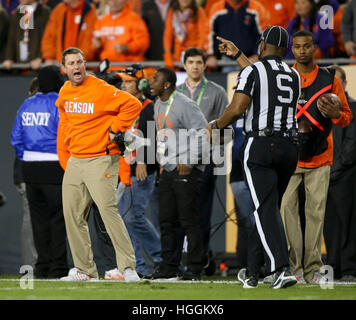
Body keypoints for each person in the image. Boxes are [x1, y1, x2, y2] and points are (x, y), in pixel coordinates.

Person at [208, 26, 301, 289]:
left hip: (261, 144)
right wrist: (237, 53)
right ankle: (252, 271)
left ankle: (281, 268)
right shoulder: (293, 74)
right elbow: (262, 74)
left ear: (262, 45)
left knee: (264, 209)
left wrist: (216, 125)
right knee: (268, 209)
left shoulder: (253, 71)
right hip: (289, 147)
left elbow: (238, 108)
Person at [56, 47, 142, 281]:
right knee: (72, 215)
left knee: (107, 210)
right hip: (76, 161)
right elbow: (64, 118)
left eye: (80, 62)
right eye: (71, 63)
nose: (76, 67)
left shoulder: (101, 88)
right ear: (64, 68)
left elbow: (133, 105)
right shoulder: (64, 91)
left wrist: (115, 129)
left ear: (85, 65)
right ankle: (84, 270)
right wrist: (67, 149)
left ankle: (128, 267)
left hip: (101, 158)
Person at [280, 30, 353, 284]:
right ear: (292, 49)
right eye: (297, 46)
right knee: (286, 211)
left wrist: (335, 113)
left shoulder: (329, 76)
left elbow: (345, 117)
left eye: (307, 46)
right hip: (289, 156)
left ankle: (311, 270)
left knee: (315, 215)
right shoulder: (285, 76)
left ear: (314, 48)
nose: (302, 51)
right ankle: (293, 267)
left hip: (321, 155)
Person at [148, 67, 208, 281]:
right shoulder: (158, 104)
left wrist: (190, 161)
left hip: (186, 169)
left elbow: (203, 132)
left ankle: (194, 268)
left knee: (188, 220)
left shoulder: (184, 104)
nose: (150, 81)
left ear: (166, 85)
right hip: (169, 169)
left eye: (155, 78)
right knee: (166, 221)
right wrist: (162, 162)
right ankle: (169, 266)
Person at [11, 65, 68, 278]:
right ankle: (58, 267)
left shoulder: (27, 105)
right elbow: (65, 136)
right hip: (55, 166)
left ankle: (42, 266)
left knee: (38, 221)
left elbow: (16, 138)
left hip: (30, 168)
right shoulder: (59, 104)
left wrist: (26, 157)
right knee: (59, 219)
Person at [176, 47, 228, 274]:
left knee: (201, 212)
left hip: (205, 159)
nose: (195, 66)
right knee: (178, 213)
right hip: (178, 161)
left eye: (199, 62)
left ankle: (201, 257)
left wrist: (217, 154)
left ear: (205, 65)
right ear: (184, 65)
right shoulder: (175, 92)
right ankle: (178, 261)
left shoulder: (217, 92)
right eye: (191, 62)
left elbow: (226, 125)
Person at [115, 65, 162, 277]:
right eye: (123, 81)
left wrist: (142, 160)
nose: (124, 85)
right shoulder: (123, 105)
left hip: (142, 169)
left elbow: (151, 138)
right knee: (125, 219)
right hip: (125, 168)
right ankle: (137, 267)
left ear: (141, 84)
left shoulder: (149, 107)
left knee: (133, 217)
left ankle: (162, 258)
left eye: (129, 81)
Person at [323, 65, 356, 282]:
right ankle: (332, 265)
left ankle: (349, 269)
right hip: (325, 173)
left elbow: (352, 146)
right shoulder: (323, 110)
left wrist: (335, 168)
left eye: (337, 82)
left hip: (347, 176)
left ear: (344, 84)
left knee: (348, 222)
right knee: (328, 223)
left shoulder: (353, 108)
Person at [206, 0, 269, 72]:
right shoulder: (217, 8)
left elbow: (264, 34)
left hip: (250, 59)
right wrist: (211, 55)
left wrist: (258, 54)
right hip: (226, 60)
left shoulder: (256, 8)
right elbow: (209, 33)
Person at [92, 0, 149, 66]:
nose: (114, 2)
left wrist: (128, 48)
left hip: (129, 68)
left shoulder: (135, 20)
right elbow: (94, 47)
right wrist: (96, 46)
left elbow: (143, 43)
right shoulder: (101, 22)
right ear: (107, 1)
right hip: (107, 68)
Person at [41, 0, 97, 65]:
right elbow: (48, 36)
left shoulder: (89, 10)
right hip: (58, 65)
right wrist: (49, 57)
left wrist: (76, 60)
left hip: (81, 66)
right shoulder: (58, 9)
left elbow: (90, 41)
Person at [3, 0, 50, 70]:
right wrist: (8, 58)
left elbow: (48, 38)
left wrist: (41, 58)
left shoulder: (45, 12)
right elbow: (11, 39)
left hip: (37, 67)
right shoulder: (18, 13)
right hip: (19, 66)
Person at [163, 0, 208, 69]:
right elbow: (167, 35)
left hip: (194, 54)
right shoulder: (172, 12)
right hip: (178, 56)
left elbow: (203, 35)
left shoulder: (198, 11)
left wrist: (197, 54)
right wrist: (167, 54)